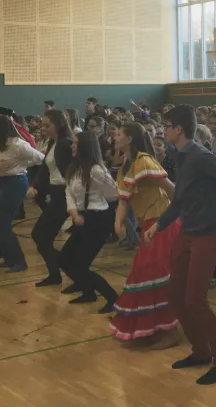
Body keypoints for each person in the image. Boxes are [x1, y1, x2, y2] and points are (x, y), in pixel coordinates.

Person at [143, 104, 216, 385]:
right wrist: (160, 224)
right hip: (188, 232)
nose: (163, 131)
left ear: (178, 129)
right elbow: (180, 199)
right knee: (176, 295)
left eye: (166, 126)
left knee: (196, 300)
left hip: (208, 234)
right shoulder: (181, 156)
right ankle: (200, 351)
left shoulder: (200, 156)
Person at [109, 122, 182, 347]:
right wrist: (118, 222)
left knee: (156, 274)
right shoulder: (125, 167)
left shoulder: (144, 161)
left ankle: (172, 330)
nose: (114, 137)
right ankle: (157, 327)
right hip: (149, 224)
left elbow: (171, 189)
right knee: (148, 275)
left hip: (162, 223)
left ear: (129, 139)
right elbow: (123, 199)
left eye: (119, 134)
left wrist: (173, 216)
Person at [60, 132, 120, 312]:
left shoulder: (96, 170)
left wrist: (91, 207)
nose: (73, 145)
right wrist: (73, 213)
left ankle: (113, 298)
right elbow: (69, 191)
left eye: (77, 143)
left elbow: (114, 194)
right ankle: (87, 291)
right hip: (83, 218)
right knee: (63, 259)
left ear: (86, 147)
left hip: (98, 219)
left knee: (79, 265)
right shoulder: (75, 168)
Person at [0, 115, 44, 273]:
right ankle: (8, 258)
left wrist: (21, 164)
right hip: (2, 183)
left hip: (15, 183)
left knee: (3, 225)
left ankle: (19, 262)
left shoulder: (18, 145)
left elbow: (40, 159)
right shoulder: (0, 145)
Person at [30, 110, 75, 287]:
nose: (44, 129)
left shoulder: (65, 144)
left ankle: (67, 268)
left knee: (41, 236)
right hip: (56, 194)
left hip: (64, 195)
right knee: (41, 237)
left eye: (47, 125)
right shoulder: (53, 143)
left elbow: (71, 173)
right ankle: (56, 273)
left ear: (59, 125)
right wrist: (34, 185)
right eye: (43, 125)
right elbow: (44, 169)